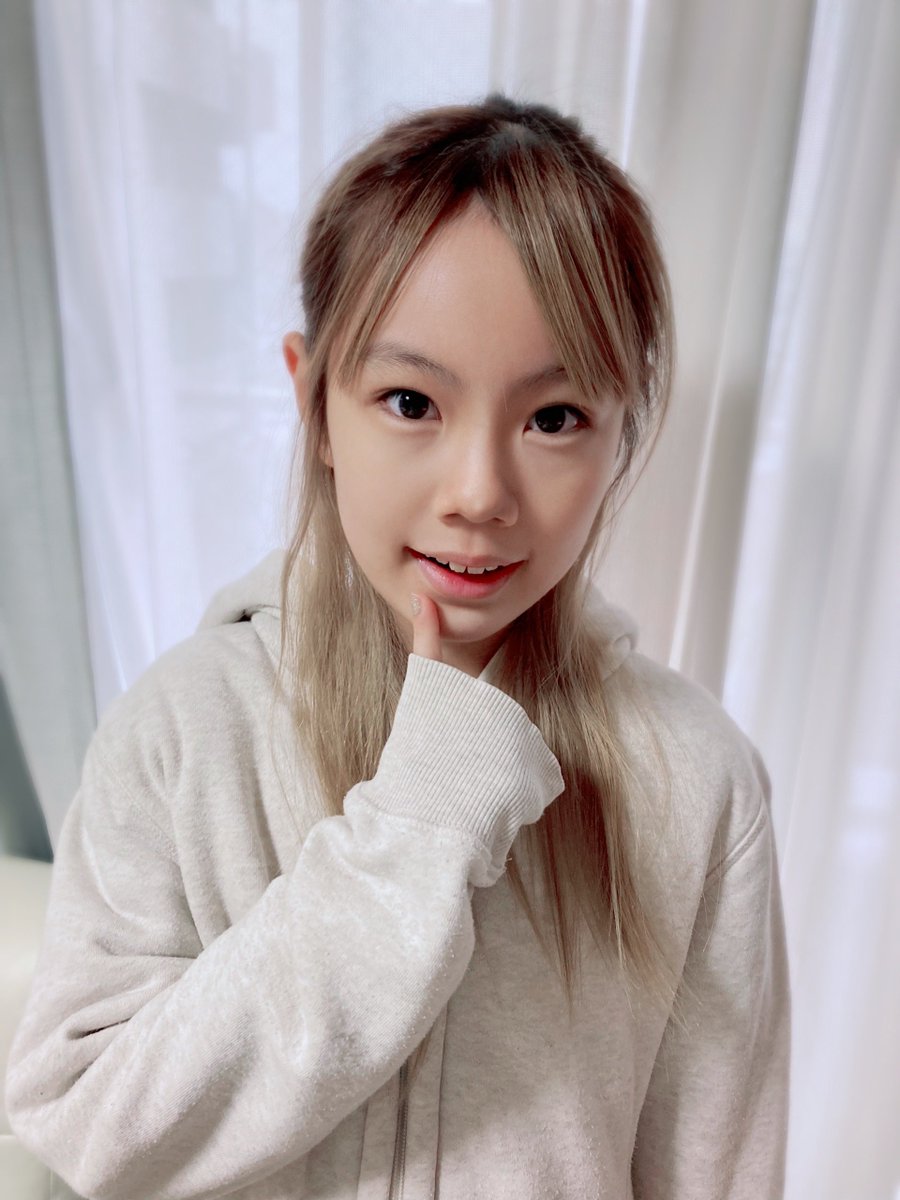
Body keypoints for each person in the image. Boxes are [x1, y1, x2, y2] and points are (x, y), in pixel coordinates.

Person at [4, 95, 791, 1199]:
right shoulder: (186, 728)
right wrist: (421, 819)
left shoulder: (696, 779)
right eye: (412, 401)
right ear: (315, 401)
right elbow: (89, 1122)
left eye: (554, 418)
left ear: (622, 431)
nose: (479, 493)